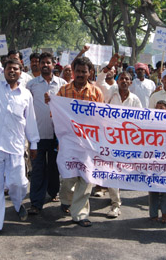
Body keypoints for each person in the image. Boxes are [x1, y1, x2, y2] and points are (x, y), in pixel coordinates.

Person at [0, 30, 39, 237]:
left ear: (21, 72)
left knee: (19, 183)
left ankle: (18, 202)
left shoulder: (26, 94)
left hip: (15, 146)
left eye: (16, 69)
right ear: (3, 71)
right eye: (9, 68)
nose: (12, 71)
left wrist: (34, 144)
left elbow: (30, 121)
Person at [54, 56, 104, 227]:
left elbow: (102, 120)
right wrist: (51, 103)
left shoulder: (96, 93)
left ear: (90, 73)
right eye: (78, 71)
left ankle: (80, 215)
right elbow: (56, 115)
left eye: (84, 71)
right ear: (73, 72)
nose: (81, 74)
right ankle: (66, 199)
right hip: (68, 143)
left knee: (86, 178)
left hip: (89, 144)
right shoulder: (63, 91)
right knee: (68, 178)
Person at [26, 52, 67, 215]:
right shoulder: (31, 85)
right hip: (37, 134)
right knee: (37, 169)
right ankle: (36, 202)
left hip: (58, 135)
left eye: (48, 62)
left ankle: (53, 192)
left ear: (53, 64)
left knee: (54, 167)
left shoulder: (62, 84)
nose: (45, 65)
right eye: (42, 62)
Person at [106, 71, 142, 218]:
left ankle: (117, 196)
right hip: (110, 139)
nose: (124, 81)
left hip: (128, 141)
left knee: (124, 171)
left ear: (131, 83)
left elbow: (140, 120)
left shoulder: (135, 100)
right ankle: (115, 204)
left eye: (127, 79)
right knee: (112, 170)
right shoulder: (110, 96)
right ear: (117, 80)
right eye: (122, 78)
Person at [149, 100, 166, 223]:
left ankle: (165, 214)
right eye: (157, 107)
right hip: (153, 158)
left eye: (162, 108)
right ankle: (153, 213)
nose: (159, 109)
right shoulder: (149, 123)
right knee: (152, 186)